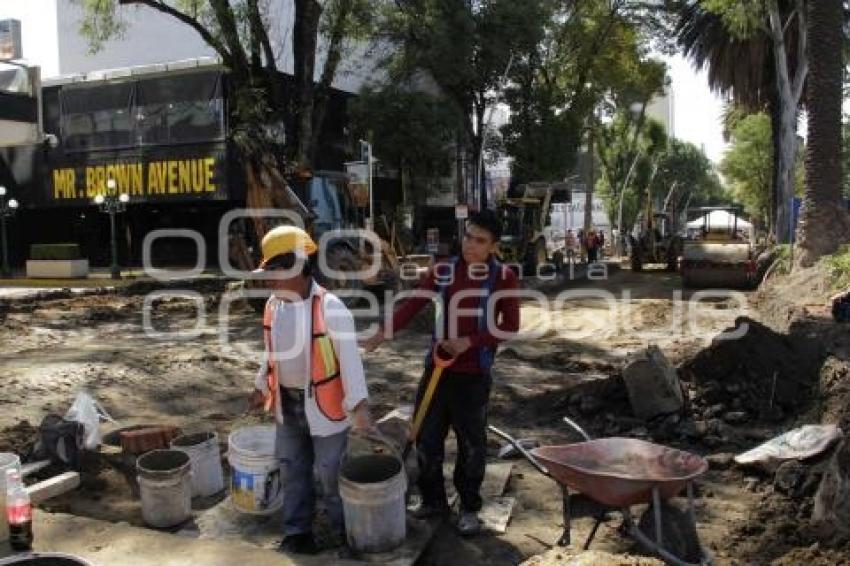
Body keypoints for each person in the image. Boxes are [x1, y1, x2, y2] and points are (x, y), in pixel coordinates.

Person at [363, 210, 520, 536]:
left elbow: (510, 326)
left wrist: (471, 341)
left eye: (480, 241)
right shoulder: (444, 271)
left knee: (472, 445)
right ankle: (434, 500)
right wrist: (383, 332)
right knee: (426, 439)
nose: (471, 245)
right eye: (468, 236)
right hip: (436, 369)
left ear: (493, 246)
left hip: (473, 376)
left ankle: (469, 508)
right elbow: (414, 304)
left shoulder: (502, 277)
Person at [248, 225, 374, 555]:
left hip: (325, 405)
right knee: (292, 467)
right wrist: (261, 384)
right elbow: (272, 350)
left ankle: (347, 534)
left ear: (299, 266)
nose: (268, 279)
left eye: (274, 270)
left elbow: (350, 361)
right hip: (287, 403)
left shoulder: (330, 308)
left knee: (332, 474)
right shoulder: (274, 306)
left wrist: (358, 407)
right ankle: (297, 532)